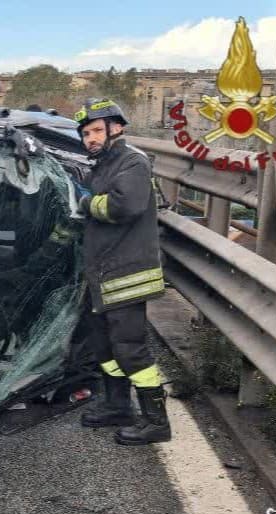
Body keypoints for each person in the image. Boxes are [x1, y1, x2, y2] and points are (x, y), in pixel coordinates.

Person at [73, 98, 172, 446]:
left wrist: (84, 204)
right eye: (86, 134)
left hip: (127, 274)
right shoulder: (100, 167)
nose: (91, 139)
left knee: (130, 349)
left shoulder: (132, 162)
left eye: (97, 130)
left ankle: (156, 421)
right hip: (103, 274)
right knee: (103, 344)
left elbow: (125, 205)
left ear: (117, 128)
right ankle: (118, 405)